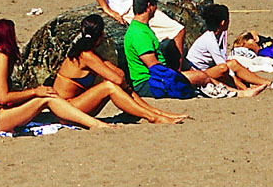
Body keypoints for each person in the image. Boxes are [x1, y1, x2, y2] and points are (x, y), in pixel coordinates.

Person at [0, 19, 114, 133]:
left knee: (43, 98)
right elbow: (4, 97)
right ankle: (95, 124)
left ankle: (91, 122)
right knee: (46, 98)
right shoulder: (0, 58)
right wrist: (35, 91)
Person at [49, 15, 188, 123]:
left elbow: (119, 73)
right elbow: (116, 78)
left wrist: (122, 82)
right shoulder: (86, 56)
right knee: (109, 86)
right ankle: (152, 116)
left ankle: (156, 113)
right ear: (102, 34)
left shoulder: (88, 53)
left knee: (116, 85)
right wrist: (120, 81)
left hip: (73, 106)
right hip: (65, 110)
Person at [184, 4, 273, 96]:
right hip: (197, 72)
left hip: (206, 69)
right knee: (224, 68)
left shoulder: (217, 36)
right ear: (223, 22)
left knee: (233, 63)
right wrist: (239, 84)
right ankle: (244, 89)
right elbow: (221, 64)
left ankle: (268, 83)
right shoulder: (209, 39)